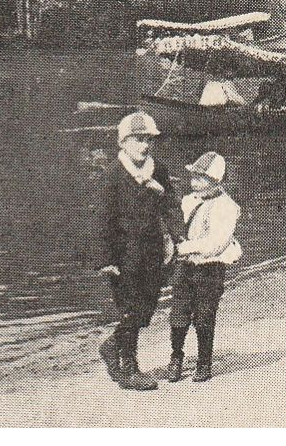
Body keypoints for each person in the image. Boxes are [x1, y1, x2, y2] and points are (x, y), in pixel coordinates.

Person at [95, 111, 179, 391]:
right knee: (130, 309)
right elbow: (102, 219)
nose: (144, 146)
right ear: (123, 143)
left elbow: (171, 208)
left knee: (146, 309)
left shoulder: (159, 170)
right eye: (138, 140)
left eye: (148, 140)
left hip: (154, 250)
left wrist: (179, 239)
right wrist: (105, 259)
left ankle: (111, 346)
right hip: (124, 255)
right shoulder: (114, 175)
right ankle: (130, 368)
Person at [165, 151, 241, 384]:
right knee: (178, 312)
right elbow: (177, 226)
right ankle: (176, 357)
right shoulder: (189, 200)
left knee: (204, 315)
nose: (194, 182)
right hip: (185, 265)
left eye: (200, 178)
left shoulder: (228, 207)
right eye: (193, 177)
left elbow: (216, 244)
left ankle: (204, 362)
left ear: (215, 180)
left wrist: (183, 248)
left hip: (210, 268)